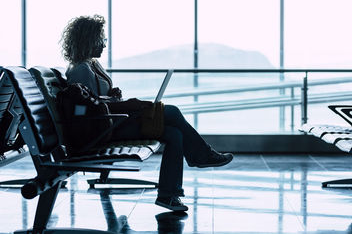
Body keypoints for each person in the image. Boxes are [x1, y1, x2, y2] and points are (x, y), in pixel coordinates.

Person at [60, 14, 233, 211]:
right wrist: (128, 105)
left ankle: (169, 195)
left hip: (111, 123)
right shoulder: (80, 70)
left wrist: (113, 96)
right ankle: (201, 156)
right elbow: (86, 110)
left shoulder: (91, 64)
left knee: (174, 134)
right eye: (101, 39)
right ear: (88, 40)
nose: (104, 45)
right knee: (172, 112)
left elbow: (95, 99)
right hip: (103, 130)